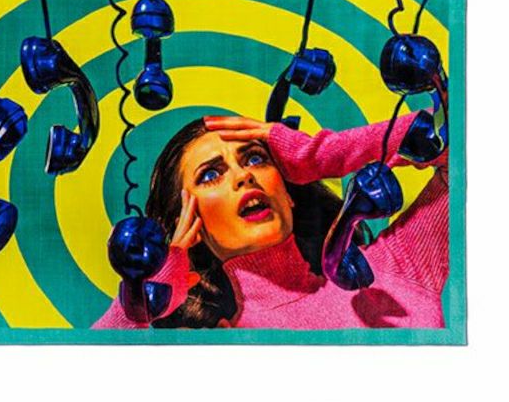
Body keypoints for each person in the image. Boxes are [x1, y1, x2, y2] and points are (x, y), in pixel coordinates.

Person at [93, 112, 449, 329]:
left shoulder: (396, 263)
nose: (243, 176)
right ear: (190, 225)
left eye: (254, 159)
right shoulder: (213, 341)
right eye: (210, 174)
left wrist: (321, 154)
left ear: (288, 192)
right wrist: (147, 299)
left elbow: (466, 143)